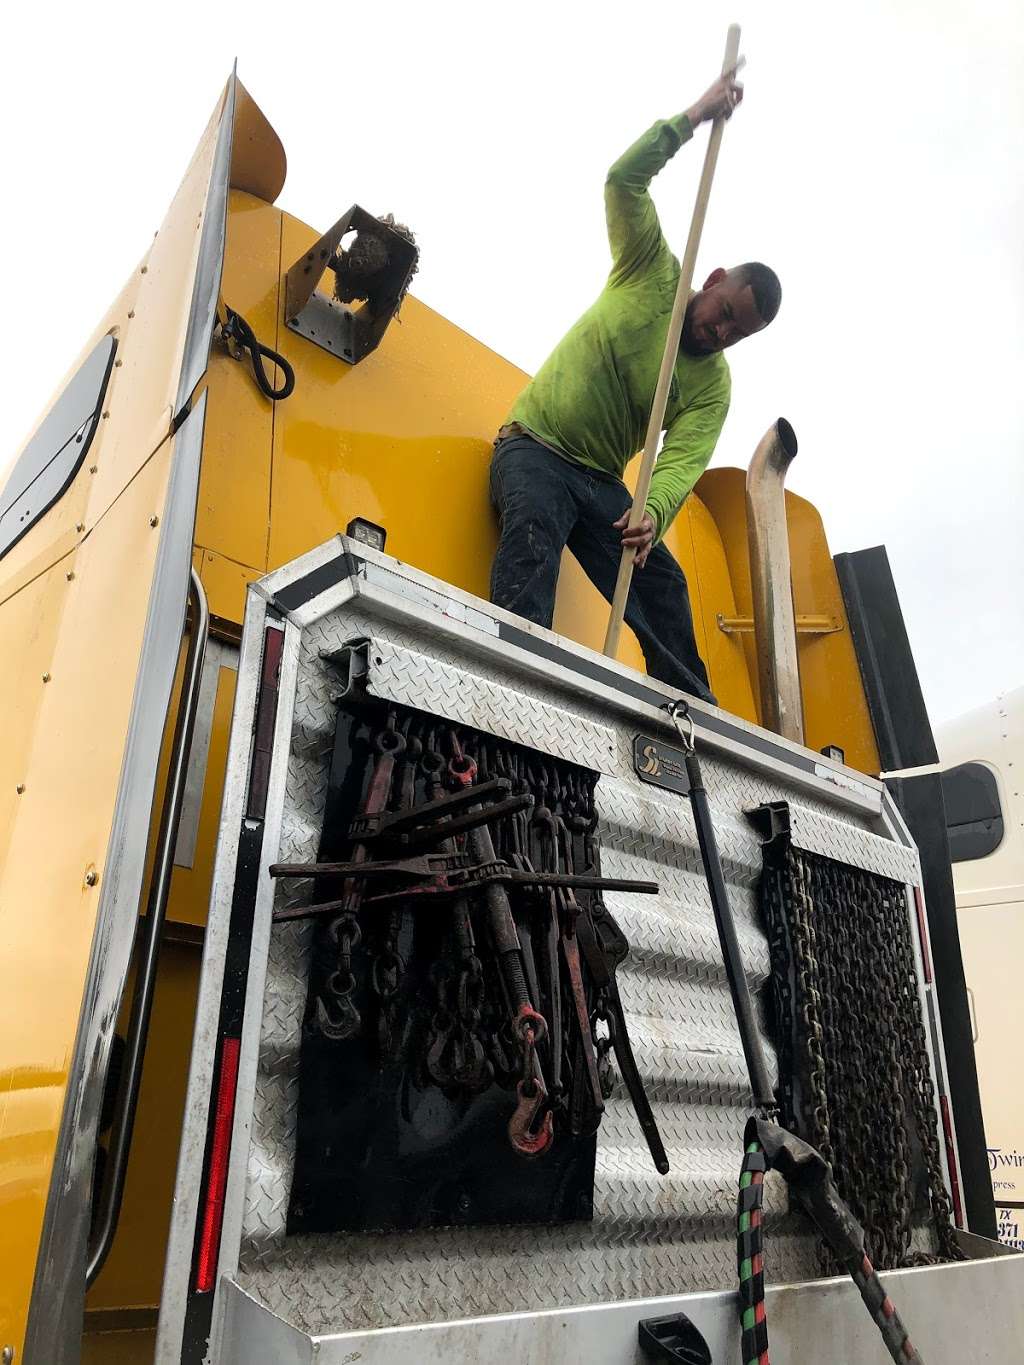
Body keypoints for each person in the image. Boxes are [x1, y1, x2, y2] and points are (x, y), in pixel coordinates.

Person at [489, 68, 780, 703]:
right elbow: (624, 180)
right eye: (725, 312)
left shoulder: (713, 385)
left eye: (737, 333)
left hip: (599, 483)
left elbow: (680, 461)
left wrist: (651, 512)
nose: (720, 331)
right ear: (715, 278)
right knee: (532, 534)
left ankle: (692, 719)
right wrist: (693, 116)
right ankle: (509, 690)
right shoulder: (652, 270)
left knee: (663, 585)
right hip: (534, 446)